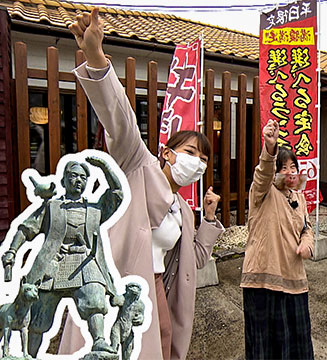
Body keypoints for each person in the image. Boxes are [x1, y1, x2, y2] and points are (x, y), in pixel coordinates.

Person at [62, 8, 225, 360]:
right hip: (113, 289)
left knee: (163, 347)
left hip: (154, 291)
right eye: (191, 152)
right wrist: (96, 55)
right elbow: (118, 115)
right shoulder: (137, 163)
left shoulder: (182, 208)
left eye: (204, 159)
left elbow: (193, 259)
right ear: (167, 153)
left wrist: (209, 221)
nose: (198, 163)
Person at [2, 157, 122, 357]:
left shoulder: (95, 210)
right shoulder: (52, 207)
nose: (78, 181)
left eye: (83, 178)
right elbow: (27, 229)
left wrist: (105, 167)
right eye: (73, 176)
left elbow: (117, 194)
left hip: (85, 262)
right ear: (64, 180)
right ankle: (30, 354)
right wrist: (12, 251)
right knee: (39, 317)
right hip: (53, 264)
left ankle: (99, 341)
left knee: (95, 300)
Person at [241, 119, 315, 359]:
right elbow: (263, 173)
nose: (290, 172)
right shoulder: (262, 192)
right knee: (267, 346)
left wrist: (307, 243)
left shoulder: (299, 197)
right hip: (263, 280)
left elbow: (307, 227)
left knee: (296, 344)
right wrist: (269, 147)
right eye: (283, 167)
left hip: (294, 279)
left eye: (293, 167)